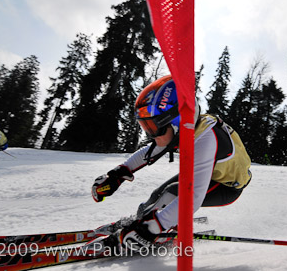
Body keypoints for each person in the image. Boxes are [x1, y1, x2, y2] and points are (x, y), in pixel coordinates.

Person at [91, 75, 252, 252]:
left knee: (170, 194)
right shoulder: (186, 128)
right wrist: (117, 174)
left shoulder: (206, 140)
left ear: (177, 121)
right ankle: (141, 222)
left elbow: (193, 198)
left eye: (153, 127)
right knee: (157, 195)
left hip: (226, 185)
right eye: (146, 128)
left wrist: (153, 227)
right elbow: (151, 151)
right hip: (210, 173)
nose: (152, 135)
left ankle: (148, 232)